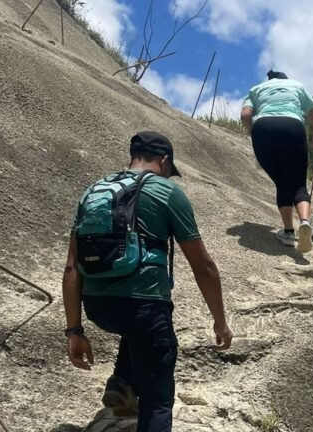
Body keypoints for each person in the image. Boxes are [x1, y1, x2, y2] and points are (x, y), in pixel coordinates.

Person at [62, 131, 233, 432]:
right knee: (158, 400)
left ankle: (123, 382)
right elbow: (203, 266)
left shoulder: (92, 192)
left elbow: (71, 269)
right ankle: (129, 386)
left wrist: (74, 330)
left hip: (98, 308)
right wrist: (220, 321)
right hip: (143, 308)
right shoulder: (165, 192)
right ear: (165, 161)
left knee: (139, 326)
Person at [241, 70, 313, 253]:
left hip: (263, 128)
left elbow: (245, 116)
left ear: (269, 80)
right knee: (298, 183)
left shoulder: (256, 89)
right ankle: (304, 223)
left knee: (282, 182)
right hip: (292, 126)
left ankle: (288, 232)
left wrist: (255, 133)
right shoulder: (296, 85)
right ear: (284, 80)